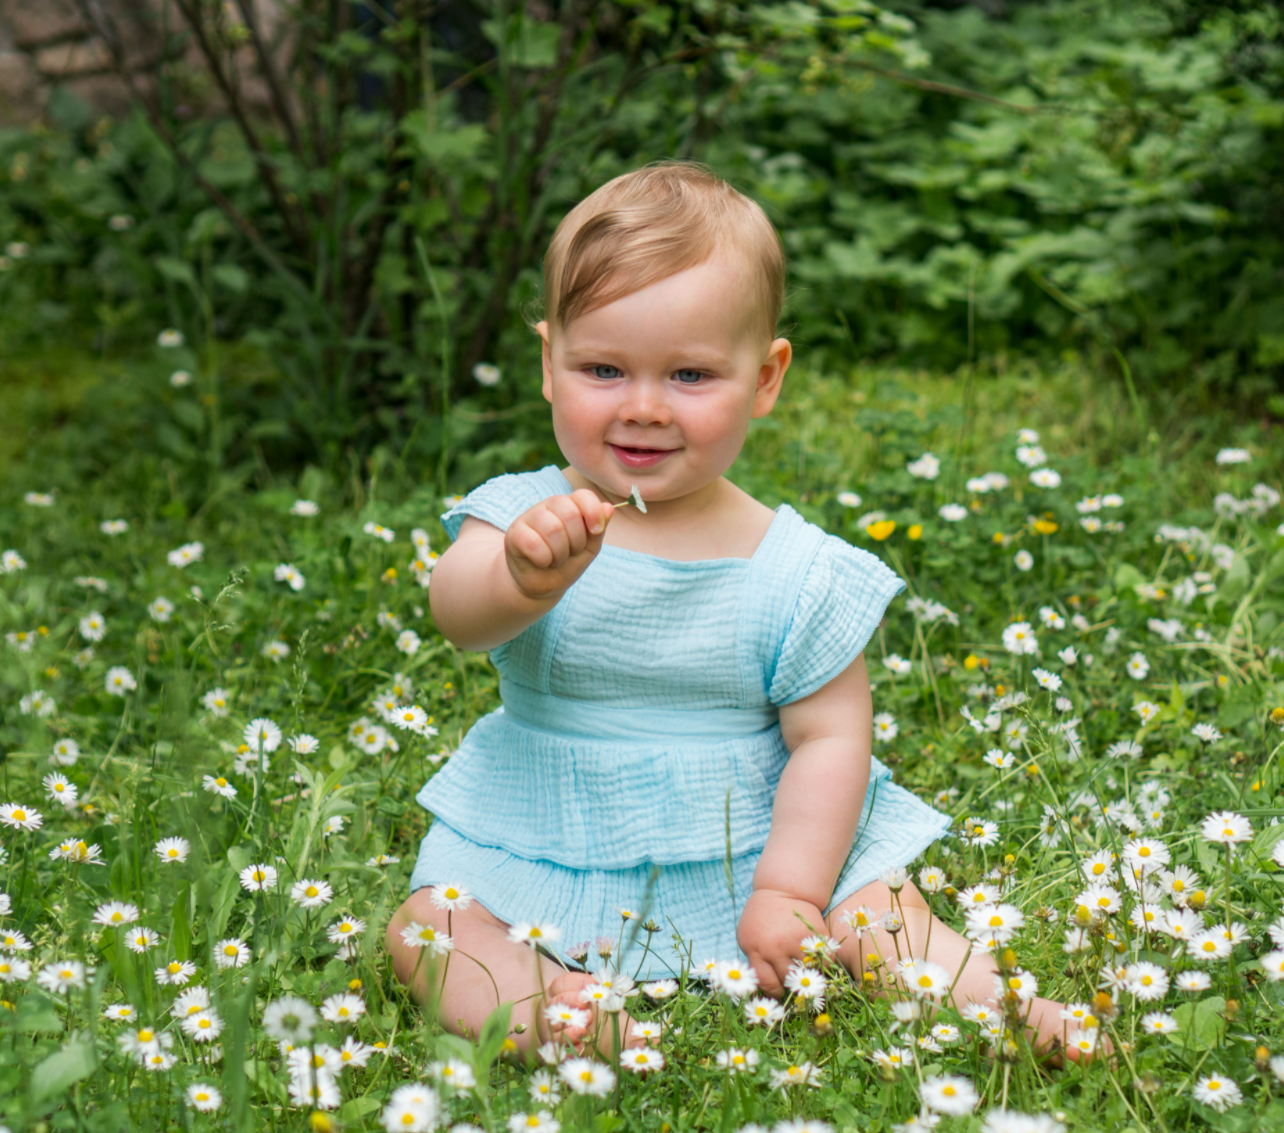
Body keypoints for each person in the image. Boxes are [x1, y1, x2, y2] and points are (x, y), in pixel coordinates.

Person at [386, 162, 1071, 1060]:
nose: (643, 407)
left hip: (760, 833)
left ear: (765, 377)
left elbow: (830, 739)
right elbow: (457, 615)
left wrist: (790, 888)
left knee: (876, 917)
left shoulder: (794, 569)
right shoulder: (522, 517)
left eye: (690, 374)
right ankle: (559, 1008)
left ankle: (1009, 1007)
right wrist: (520, 578)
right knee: (429, 928)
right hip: (545, 828)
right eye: (602, 368)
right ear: (548, 364)